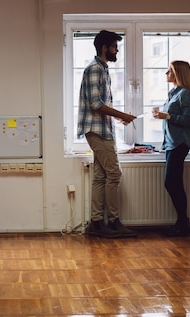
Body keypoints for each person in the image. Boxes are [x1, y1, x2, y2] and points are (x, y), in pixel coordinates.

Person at [77, 30, 137, 238]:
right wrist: (122, 114)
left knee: (101, 176)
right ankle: (112, 222)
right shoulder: (95, 69)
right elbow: (95, 104)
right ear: (104, 48)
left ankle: (96, 224)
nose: (116, 50)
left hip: (100, 128)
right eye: (114, 46)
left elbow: (100, 105)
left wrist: (118, 118)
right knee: (114, 174)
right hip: (97, 131)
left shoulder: (102, 69)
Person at [152, 60, 190, 237]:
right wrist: (162, 116)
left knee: (171, 182)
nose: (166, 73)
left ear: (178, 73)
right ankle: (182, 223)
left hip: (179, 143)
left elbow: (188, 120)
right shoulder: (174, 93)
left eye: (169, 71)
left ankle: (183, 224)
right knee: (174, 183)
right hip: (172, 143)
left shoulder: (185, 94)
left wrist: (167, 115)